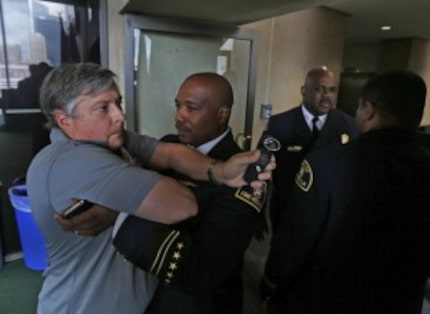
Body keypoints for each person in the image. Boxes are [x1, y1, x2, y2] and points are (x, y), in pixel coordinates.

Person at [26, 63, 273, 314]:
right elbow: (176, 198)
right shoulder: (78, 159)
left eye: (192, 108)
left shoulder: (247, 176)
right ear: (64, 121)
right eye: (178, 105)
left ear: (222, 114)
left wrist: (116, 214)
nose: (179, 116)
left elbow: (203, 269)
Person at [270, 70, 430, 313]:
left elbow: (298, 237)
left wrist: (274, 284)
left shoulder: (327, 163)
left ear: (369, 109)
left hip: (331, 297)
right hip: (400, 300)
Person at [261, 66, 358, 301]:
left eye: (332, 90)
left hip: (330, 210)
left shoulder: (348, 125)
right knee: (282, 252)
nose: (327, 96)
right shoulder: (280, 124)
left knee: (319, 257)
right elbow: (261, 164)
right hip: (287, 205)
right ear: (304, 90)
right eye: (319, 89)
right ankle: (272, 292)